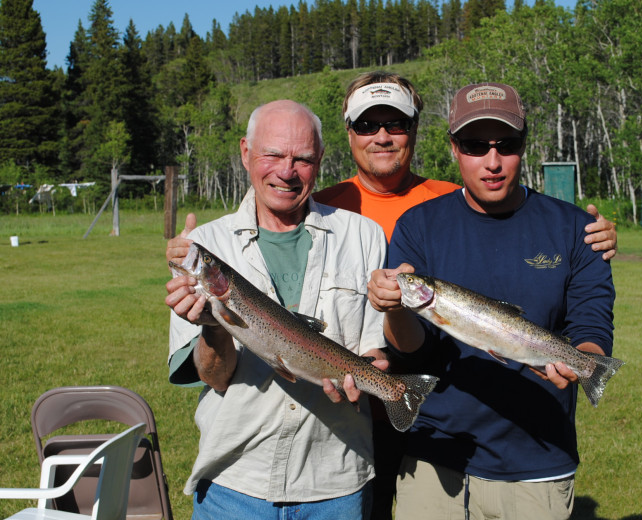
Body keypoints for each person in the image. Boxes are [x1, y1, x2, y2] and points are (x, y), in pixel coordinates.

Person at [166, 72, 619, 520]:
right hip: (363, 442)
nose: (382, 136)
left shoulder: (428, 212)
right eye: (367, 125)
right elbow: (404, 340)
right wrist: (199, 278)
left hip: (377, 442)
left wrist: (591, 240)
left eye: (396, 124)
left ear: (416, 132)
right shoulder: (315, 210)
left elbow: (587, 309)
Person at [366, 83, 616, 520]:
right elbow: (413, 350)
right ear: (454, 148)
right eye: (475, 145)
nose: (493, 161)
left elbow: (592, 319)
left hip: (536, 458)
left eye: (507, 145)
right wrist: (395, 307)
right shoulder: (418, 226)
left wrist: (586, 360)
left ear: (525, 144)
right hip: (434, 457)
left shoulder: (577, 228)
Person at [165, 100, 388, 519]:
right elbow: (213, 378)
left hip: (336, 483)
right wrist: (213, 326)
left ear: (319, 160)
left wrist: (376, 374)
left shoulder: (363, 236)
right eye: (273, 155)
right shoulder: (206, 248)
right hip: (234, 484)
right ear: (246, 153)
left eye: (302, 158)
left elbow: (376, 348)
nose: (287, 171)